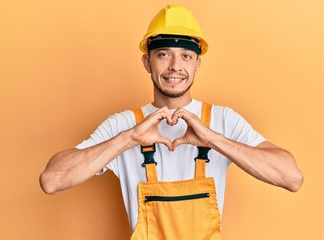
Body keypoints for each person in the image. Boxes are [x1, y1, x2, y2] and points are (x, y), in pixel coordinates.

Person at [40, 4, 303, 239]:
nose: (175, 66)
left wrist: (213, 139)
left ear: (197, 64)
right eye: (164, 54)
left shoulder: (222, 120)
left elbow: (291, 177)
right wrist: (129, 139)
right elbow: (52, 180)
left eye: (186, 56)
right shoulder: (123, 125)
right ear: (147, 61)